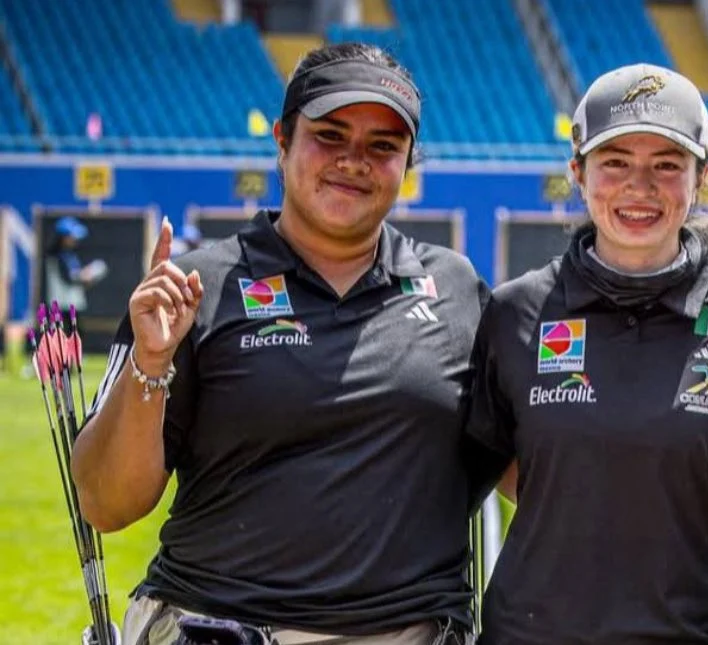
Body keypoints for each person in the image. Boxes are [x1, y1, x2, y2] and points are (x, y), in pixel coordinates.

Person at [71, 43, 488, 645]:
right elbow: (105, 505)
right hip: (218, 626)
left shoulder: (457, 289)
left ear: (408, 163)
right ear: (282, 139)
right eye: (330, 135)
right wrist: (151, 361)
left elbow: (538, 465)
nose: (353, 161)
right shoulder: (195, 287)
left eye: (382, 146)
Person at [463, 63, 708, 645]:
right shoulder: (514, 312)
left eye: (666, 165)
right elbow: (496, 469)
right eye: (615, 162)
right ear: (578, 172)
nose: (639, 187)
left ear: (700, 178)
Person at [44, 216, 107, 329]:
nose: (75, 240)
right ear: (63, 237)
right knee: (60, 336)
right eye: (72, 236)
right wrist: (83, 276)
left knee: (75, 336)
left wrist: (87, 278)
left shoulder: (70, 255)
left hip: (72, 304)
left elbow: (75, 277)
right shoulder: (57, 256)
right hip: (61, 305)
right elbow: (68, 278)